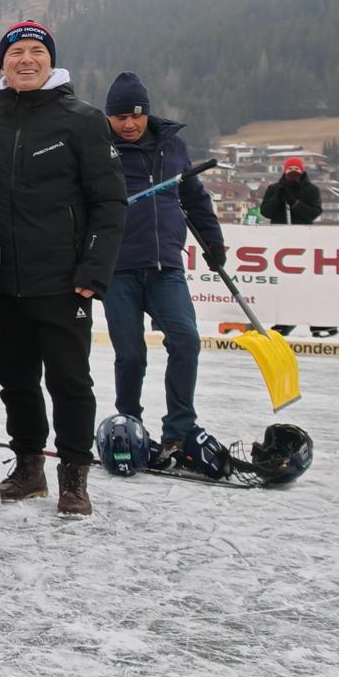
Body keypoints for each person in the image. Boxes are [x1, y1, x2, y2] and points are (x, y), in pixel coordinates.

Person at [0, 21, 125, 518]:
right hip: (1, 281)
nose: (26, 60)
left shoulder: (83, 120)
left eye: (36, 51)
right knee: (16, 382)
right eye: (16, 53)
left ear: (51, 60)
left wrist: (93, 270)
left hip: (63, 280)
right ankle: (29, 468)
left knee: (70, 382)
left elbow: (110, 201)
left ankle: (73, 476)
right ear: (1, 63)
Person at [100, 72, 226, 462]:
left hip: (165, 267)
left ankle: (180, 431)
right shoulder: (98, 148)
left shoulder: (173, 146)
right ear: (109, 117)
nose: (129, 124)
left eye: (136, 116)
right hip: (118, 268)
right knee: (130, 355)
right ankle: (129, 425)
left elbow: (195, 197)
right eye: (121, 117)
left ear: (147, 114)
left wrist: (213, 241)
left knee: (186, 341)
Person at [260, 158, 333, 338]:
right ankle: (285, 321)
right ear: (284, 171)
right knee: (285, 284)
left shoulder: (311, 190)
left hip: (304, 241)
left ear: (302, 171)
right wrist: (278, 198)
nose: (293, 171)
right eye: (290, 168)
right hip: (281, 242)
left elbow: (314, 212)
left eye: (296, 168)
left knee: (308, 283)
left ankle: (317, 322)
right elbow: (266, 212)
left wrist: (294, 202)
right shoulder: (274, 189)